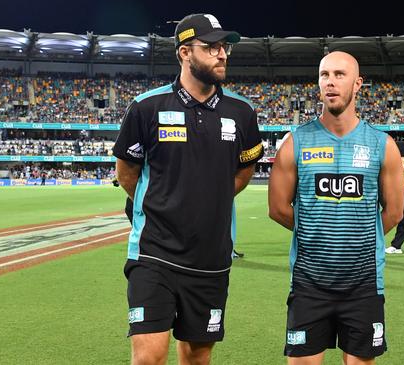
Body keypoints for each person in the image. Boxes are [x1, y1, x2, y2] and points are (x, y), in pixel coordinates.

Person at [113, 13, 263, 365]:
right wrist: (165, 208)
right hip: (154, 253)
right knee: (148, 356)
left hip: (211, 259)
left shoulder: (242, 112)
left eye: (224, 47)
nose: (222, 54)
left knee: (197, 357)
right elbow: (127, 172)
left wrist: (207, 201)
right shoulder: (147, 107)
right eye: (211, 47)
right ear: (184, 53)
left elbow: (244, 170)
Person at [268, 51, 404, 365]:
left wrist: (357, 235)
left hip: (364, 284)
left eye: (340, 75)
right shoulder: (295, 142)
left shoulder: (382, 145)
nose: (330, 82)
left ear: (358, 84)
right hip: (308, 283)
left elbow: (394, 212)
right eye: (324, 75)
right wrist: (316, 231)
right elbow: (277, 208)